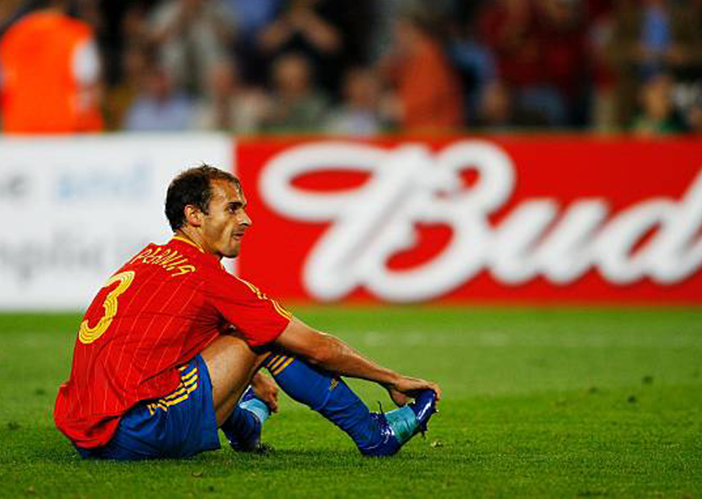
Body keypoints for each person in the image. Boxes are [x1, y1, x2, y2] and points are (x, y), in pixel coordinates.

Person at [54, 165, 440, 460]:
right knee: (269, 338)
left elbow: (168, 339)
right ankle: (373, 436)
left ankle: (246, 428)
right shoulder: (209, 279)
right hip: (137, 429)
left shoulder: (148, 260)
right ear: (194, 215)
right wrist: (390, 379)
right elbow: (318, 348)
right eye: (232, 208)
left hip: (87, 431)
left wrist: (250, 379)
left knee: (248, 335)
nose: (246, 220)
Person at [0, 0, 103, 134]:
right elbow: (89, 86)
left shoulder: (11, 37)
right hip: (66, 130)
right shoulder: (75, 34)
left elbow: (5, 86)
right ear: (58, 1)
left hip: (20, 131)